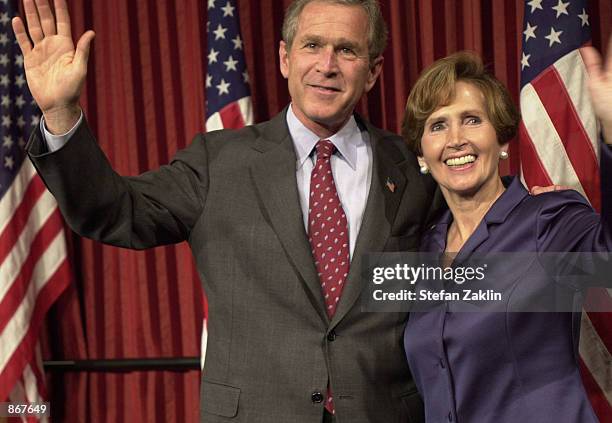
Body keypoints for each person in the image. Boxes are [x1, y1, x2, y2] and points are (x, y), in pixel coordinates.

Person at [13, 0, 436, 421]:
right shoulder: (218, 162)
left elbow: (469, 279)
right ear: (285, 58)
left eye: (347, 50)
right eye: (312, 45)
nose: (327, 64)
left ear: (374, 71)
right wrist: (60, 113)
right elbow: (113, 212)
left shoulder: (414, 168)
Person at [401, 48, 612, 422]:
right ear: (421, 153)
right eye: (437, 125)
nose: (455, 140)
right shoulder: (423, 250)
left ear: (501, 140)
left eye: (471, 120)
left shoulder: (547, 221)